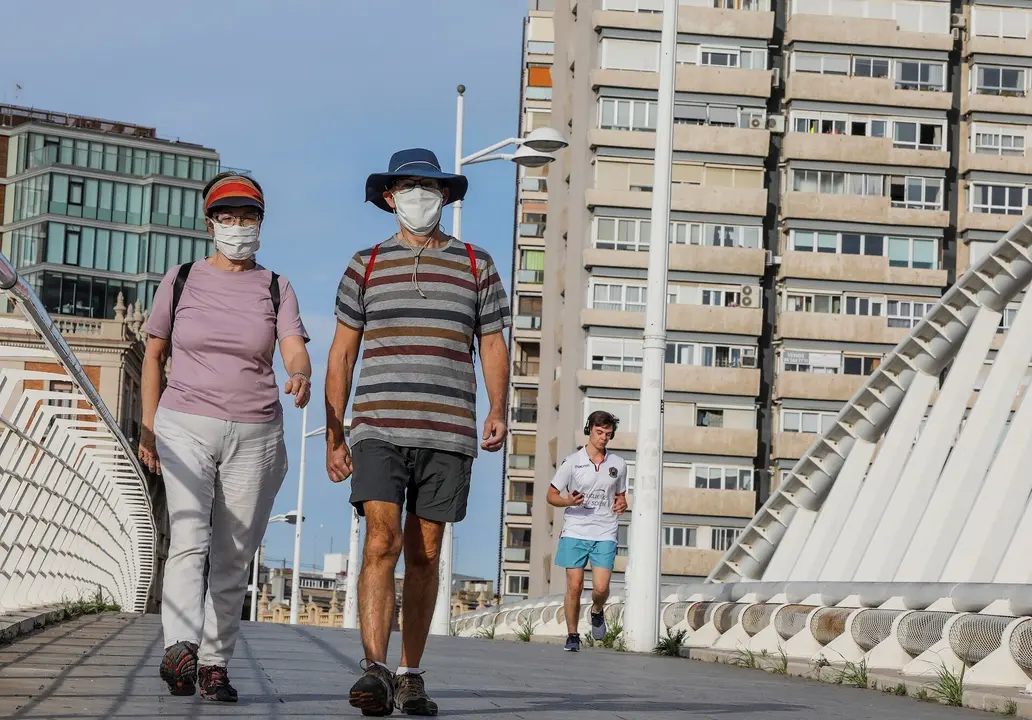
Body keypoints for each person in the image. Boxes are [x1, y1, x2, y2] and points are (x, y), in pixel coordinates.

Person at [325, 148, 510, 716]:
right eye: (407, 187)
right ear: (389, 197)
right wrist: (335, 434)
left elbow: (493, 344)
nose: (419, 197)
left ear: (446, 197)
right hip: (377, 425)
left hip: (448, 429)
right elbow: (341, 355)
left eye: (429, 188)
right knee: (382, 539)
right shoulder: (366, 264)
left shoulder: (477, 264)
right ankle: (374, 669)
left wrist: (498, 408)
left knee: (426, 552)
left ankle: (410, 672)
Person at [139, 172, 312, 702]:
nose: (239, 227)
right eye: (229, 217)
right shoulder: (182, 278)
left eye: (249, 217)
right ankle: (180, 648)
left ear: (261, 223)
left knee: (234, 552)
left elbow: (293, 345)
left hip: (255, 430)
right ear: (211, 222)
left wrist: (299, 372)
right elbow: (153, 355)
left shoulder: (274, 285)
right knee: (189, 538)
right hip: (183, 422)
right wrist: (148, 427)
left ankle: (215, 663)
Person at [547, 411, 628, 652]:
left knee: (601, 588)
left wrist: (622, 503)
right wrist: (568, 502)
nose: (603, 437)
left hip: (605, 530)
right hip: (575, 529)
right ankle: (572, 635)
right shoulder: (572, 462)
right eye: (599, 432)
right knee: (575, 585)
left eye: (608, 434)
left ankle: (596, 610)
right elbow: (551, 495)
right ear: (589, 430)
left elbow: (621, 496)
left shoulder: (618, 464)